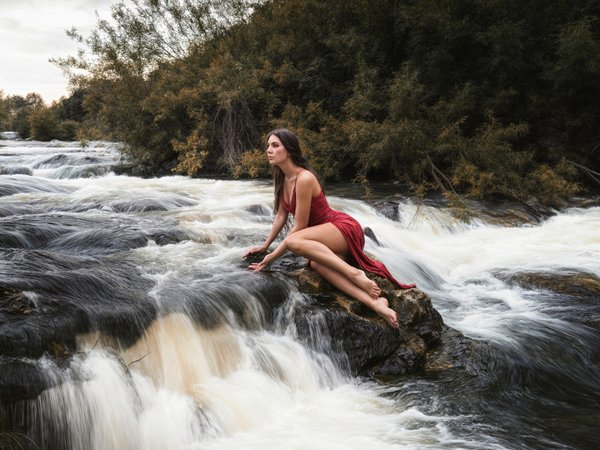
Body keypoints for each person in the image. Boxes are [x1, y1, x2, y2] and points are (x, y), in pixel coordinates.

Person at [243, 128, 415, 329]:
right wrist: (265, 245)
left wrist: (271, 258)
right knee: (317, 265)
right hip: (320, 236)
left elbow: (299, 226)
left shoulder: (304, 178)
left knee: (292, 240)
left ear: (288, 150)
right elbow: (281, 214)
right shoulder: (282, 178)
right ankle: (377, 305)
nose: (268, 150)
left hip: (341, 228)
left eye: (275, 145)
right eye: (268, 146)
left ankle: (354, 273)